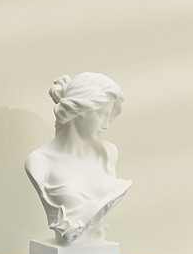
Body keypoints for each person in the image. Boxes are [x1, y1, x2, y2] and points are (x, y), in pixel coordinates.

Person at [24, 73, 132, 244]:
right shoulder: (39, 162)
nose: (106, 125)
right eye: (102, 114)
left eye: (108, 115)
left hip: (97, 247)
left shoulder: (108, 153)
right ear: (79, 109)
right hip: (65, 247)